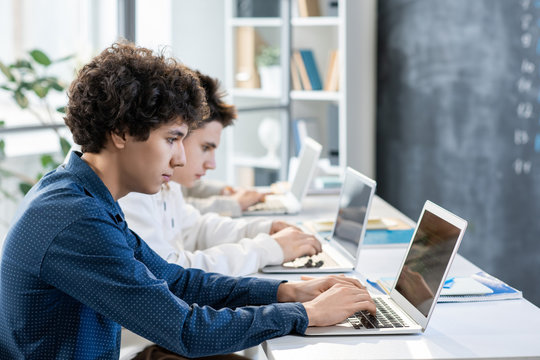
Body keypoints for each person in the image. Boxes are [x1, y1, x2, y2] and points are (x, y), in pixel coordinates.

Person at [0, 42, 376, 359]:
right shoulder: (74, 218)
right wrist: (303, 314)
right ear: (120, 132)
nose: (180, 158)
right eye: (171, 139)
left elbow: (174, 280)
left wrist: (285, 291)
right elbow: (185, 330)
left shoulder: (82, 195)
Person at [119, 71, 321, 276]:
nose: (212, 164)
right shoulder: (134, 189)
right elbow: (172, 273)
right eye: (205, 147)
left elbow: (194, 229)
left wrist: (263, 230)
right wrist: (267, 249)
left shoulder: (166, 185)